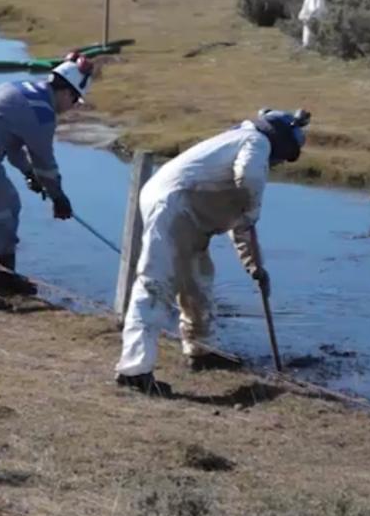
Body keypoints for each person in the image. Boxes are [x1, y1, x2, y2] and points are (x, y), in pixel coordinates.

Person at [114, 108, 311, 394]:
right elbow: (248, 180)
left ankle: (200, 349)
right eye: (281, 158)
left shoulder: (235, 143)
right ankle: (135, 371)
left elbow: (242, 226)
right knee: (154, 285)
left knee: (197, 282)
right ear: (279, 141)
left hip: (188, 214)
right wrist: (253, 207)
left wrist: (255, 266)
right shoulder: (255, 143)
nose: (278, 164)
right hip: (173, 205)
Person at [0, 53, 93, 310]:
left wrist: (27, 173)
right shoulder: (43, 112)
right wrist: (58, 197)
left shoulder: (22, 89)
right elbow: (45, 163)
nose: (72, 108)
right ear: (67, 92)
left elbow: (14, 146)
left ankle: (4, 277)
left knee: (10, 205)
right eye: (75, 101)